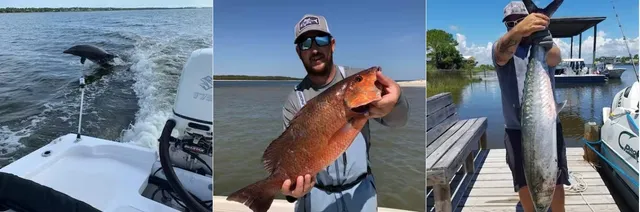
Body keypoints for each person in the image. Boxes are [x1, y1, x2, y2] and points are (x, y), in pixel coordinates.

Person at [280, 14, 410, 212]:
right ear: (299, 52)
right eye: (305, 43)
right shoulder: (294, 100)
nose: (314, 49)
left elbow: (399, 121)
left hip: (361, 191)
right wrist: (291, 194)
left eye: (321, 40)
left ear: (332, 44)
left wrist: (397, 99)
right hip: (315, 196)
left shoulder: (358, 80)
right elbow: (288, 158)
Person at [492, 2, 569, 212]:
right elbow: (500, 55)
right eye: (511, 23)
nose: (516, 25)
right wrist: (519, 30)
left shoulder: (543, 46)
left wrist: (545, 41)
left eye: (520, 19)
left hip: (548, 125)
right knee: (523, 180)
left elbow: (555, 58)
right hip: (516, 129)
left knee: (558, 175)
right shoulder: (502, 47)